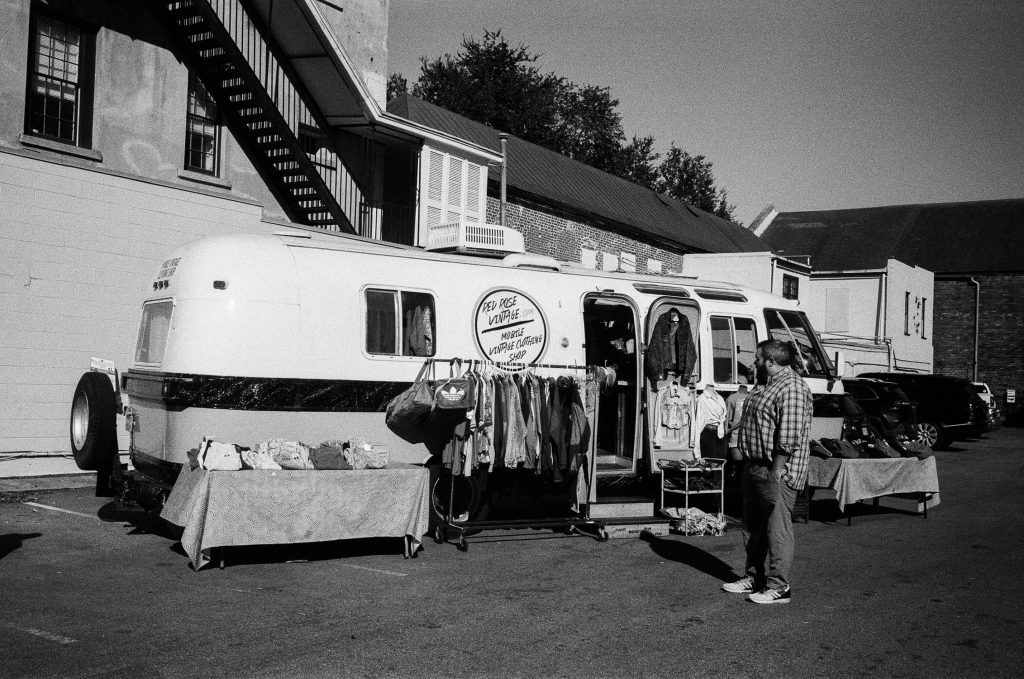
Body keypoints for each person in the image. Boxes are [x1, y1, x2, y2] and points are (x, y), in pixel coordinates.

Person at [721, 340, 812, 605]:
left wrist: (776, 469)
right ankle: (754, 577)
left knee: (777, 529)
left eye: (758, 359)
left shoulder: (792, 388)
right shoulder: (766, 385)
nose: (754, 364)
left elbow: (789, 434)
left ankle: (779, 586)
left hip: (776, 470)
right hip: (756, 465)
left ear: (771, 362)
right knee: (753, 527)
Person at [724, 376, 750, 479]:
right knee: (745, 465)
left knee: (738, 464)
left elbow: (728, 420)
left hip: (736, 435)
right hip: (749, 436)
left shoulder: (731, 399)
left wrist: (727, 430)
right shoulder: (753, 398)